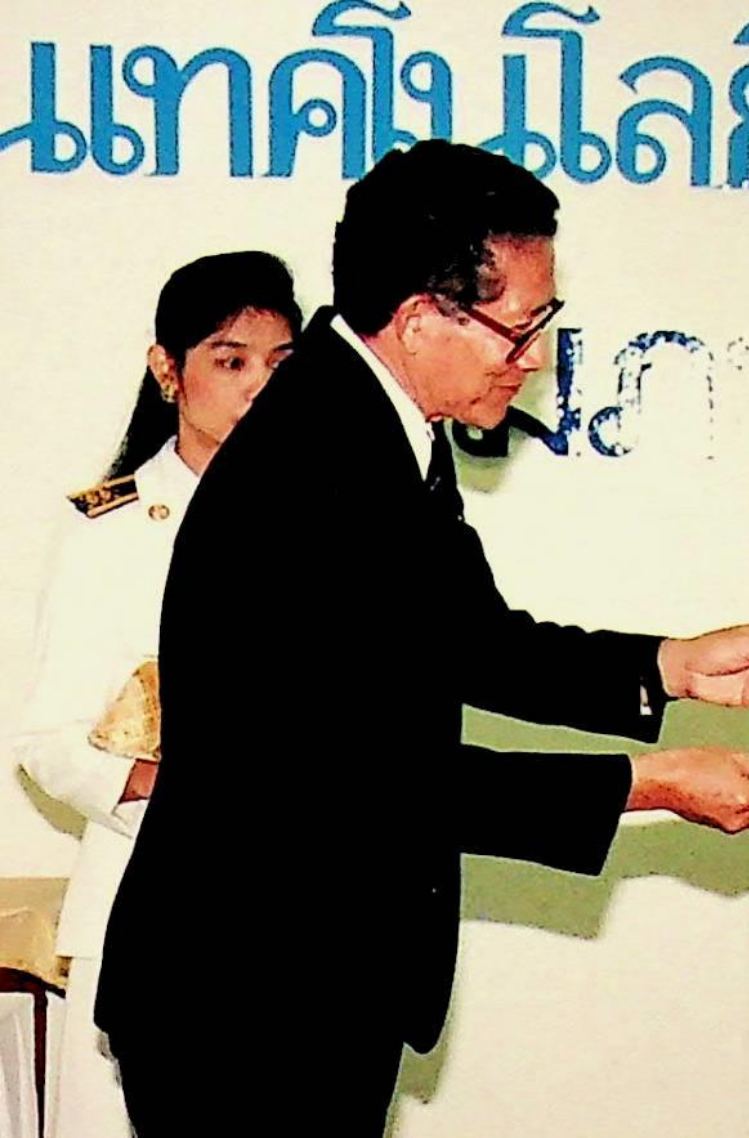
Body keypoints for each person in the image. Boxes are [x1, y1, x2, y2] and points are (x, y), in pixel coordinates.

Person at [94, 140, 749, 1136]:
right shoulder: (317, 468)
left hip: (303, 972)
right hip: (248, 996)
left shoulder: (374, 423)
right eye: (519, 330)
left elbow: (471, 640)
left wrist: (671, 666)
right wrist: (647, 783)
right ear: (419, 318)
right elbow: (354, 777)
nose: (534, 360)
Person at [14, 251, 302, 1138]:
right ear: (167, 369)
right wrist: (170, 793)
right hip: (146, 913)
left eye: (280, 363)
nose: (258, 385)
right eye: (230, 359)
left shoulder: (332, 519)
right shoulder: (107, 529)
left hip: (303, 917)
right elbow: (51, 740)